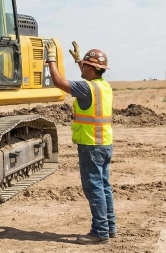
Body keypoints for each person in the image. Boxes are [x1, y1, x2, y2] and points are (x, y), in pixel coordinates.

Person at [44, 40, 116, 245]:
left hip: (90, 145)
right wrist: (78, 60)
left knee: (94, 188)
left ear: (91, 69)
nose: (82, 68)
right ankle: (109, 227)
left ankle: (100, 232)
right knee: (103, 186)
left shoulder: (86, 88)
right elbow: (87, 79)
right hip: (104, 143)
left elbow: (59, 82)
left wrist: (51, 58)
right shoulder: (104, 86)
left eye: (84, 65)